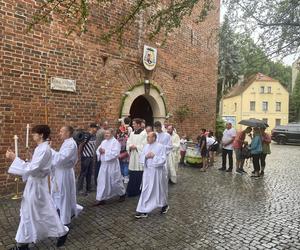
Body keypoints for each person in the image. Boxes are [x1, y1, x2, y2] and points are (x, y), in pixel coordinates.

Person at [6, 125, 69, 249]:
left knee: (36, 212)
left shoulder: (44, 149)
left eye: (34, 133)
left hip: (37, 186)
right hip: (34, 183)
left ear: (41, 135)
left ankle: (23, 244)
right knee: (33, 212)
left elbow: (33, 169)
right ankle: (24, 242)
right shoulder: (40, 148)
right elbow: (34, 166)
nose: (33, 135)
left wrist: (15, 159)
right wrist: (27, 161)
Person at [51, 126, 83, 226]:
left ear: (68, 133)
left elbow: (61, 158)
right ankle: (61, 213)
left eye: (61, 131)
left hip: (64, 174)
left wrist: (49, 149)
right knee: (59, 195)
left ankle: (65, 220)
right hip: (61, 172)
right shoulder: (67, 142)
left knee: (63, 195)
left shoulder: (71, 144)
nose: (59, 133)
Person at [135, 132, 169, 218]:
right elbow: (142, 157)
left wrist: (154, 156)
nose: (147, 139)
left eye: (149, 137)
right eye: (147, 137)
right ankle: (143, 209)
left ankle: (164, 205)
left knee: (159, 190)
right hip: (147, 172)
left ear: (154, 138)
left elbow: (163, 160)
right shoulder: (146, 146)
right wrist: (146, 156)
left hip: (156, 172)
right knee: (146, 189)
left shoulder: (161, 147)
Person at [94, 128, 126, 205]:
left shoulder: (115, 142)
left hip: (112, 165)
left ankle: (122, 194)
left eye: (108, 133)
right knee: (102, 181)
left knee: (115, 180)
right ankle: (101, 198)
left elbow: (116, 153)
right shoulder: (103, 142)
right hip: (104, 165)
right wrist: (100, 151)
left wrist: (105, 152)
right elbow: (98, 150)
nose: (106, 135)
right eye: (105, 133)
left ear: (112, 134)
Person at [126, 118, 147, 197]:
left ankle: (137, 190)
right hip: (133, 155)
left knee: (138, 173)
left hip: (139, 155)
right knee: (132, 173)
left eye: (134, 124)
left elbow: (145, 145)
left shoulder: (144, 133)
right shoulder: (132, 133)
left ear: (138, 124)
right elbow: (128, 142)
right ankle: (130, 190)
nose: (133, 125)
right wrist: (130, 146)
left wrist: (137, 147)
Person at [78, 123, 97, 195]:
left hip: (91, 157)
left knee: (89, 173)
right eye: (95, 128)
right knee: (83, 173)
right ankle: (80, 189)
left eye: (96, 128)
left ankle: (88, 188)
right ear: (91, 128)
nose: (96, 129)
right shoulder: (86, 135)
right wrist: (79, 155)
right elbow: (81, 145)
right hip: (85, 157)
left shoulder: (94, 136)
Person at [94, 121, 108, 186]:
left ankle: (96, 181)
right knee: (99, 168)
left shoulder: (98, 131)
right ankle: (98, 182)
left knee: (97, 167)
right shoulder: (103, 132)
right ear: (104, 125)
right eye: (107, 125)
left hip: (96, 151)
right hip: (100, 152)